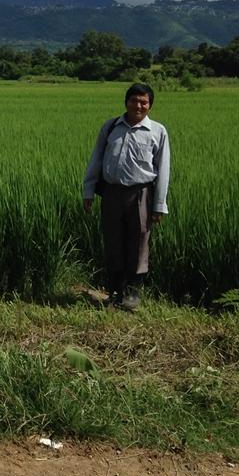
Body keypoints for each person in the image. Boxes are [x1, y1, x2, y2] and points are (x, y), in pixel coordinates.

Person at [82, 82, 170, 312]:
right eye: (134, 100)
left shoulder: (157, 131)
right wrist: (88, 190)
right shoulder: (111, 127)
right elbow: (96, 159)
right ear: (126, 102)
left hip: (141, 194)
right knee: (113, 240)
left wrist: (159, 205)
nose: (138, 106)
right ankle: (115, 291)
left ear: (150, 105)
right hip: (111, 193)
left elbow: (163, 170)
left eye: (144, 102)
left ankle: (133, 292)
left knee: (139, 242)